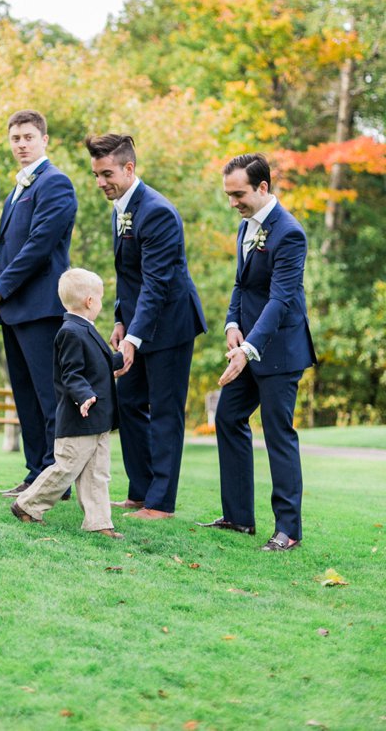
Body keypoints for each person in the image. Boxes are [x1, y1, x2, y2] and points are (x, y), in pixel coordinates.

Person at [86, 134, 206, 521]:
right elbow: (128, 277)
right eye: (96, 175)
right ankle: (140, 492)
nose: (102, 182)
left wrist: (133, 339)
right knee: (130, 403)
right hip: (139, 321)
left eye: (107, 174)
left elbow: (156, 284)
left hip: (171, 325)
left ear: (129, 168)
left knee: (166, 411)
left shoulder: (156, 211)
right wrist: (121, 320)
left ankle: (160, 503)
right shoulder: (119, 208)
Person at [198, 153, 314, 552]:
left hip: (279, 350)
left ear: (263, 187)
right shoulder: (246, 227)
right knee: (228, 417)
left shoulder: (289, 233)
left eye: (239, 194)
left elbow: (281, 300)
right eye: (228, 194)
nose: (233, 203)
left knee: (278, 434)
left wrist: (248, 348)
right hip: (247, 345)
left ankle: (289, 530)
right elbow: (241, 285)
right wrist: (232, 324)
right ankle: (238, 517)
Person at [0, 109, 77, 497]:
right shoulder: (18, 188)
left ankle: (57, 480)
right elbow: (6, 246)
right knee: (25, 397)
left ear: (44, 140)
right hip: (14, 309)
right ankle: (34, 472)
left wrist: (1, 286)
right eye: (15, 138)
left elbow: (38, 246)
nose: (21, 144)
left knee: (48, 396)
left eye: (27, 137)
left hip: (41, 306)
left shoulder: (55, 183)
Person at [10, 268, 124, 538]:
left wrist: (121, 360)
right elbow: (71, 373)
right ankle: (26, 504)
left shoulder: (86, 329)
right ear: (89, 301)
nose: (101, 303)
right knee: (65, 469)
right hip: (78, 419)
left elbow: (100, 363)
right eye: (100, 298)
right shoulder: (70, 332)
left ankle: (98, 522)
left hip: (98, 419)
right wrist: (84, 395)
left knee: (97, 473)